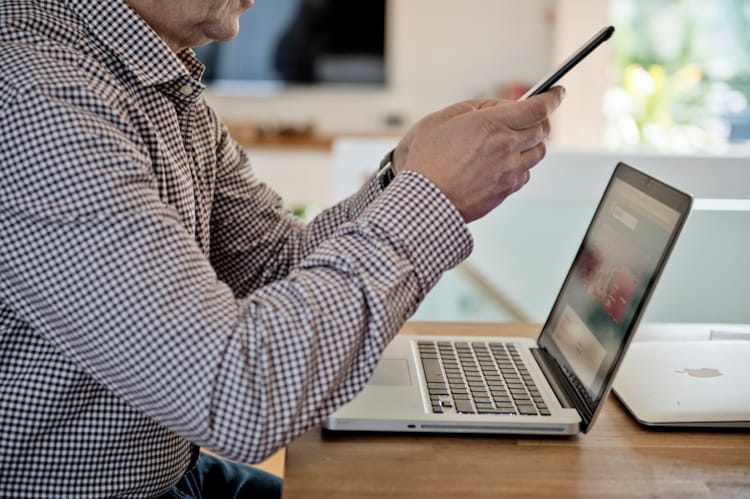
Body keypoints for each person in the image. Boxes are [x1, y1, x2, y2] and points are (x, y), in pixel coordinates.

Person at [0, 0, 564, 497]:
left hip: (178, 475)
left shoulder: (159, 86)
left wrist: (406, 171)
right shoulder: (38, 94)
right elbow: (238, 394)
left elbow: (273, 266)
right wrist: (430, 197)